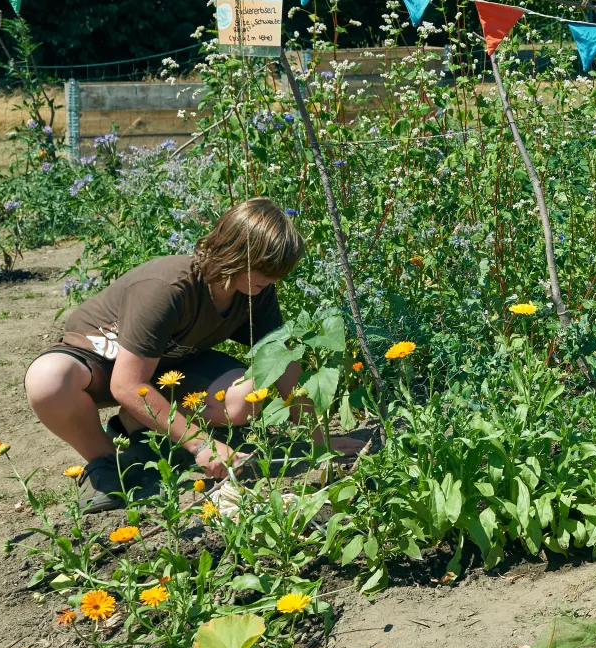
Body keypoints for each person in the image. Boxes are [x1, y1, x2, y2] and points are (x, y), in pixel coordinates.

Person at [25, 197, 364, 512]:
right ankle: (106, 463)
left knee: (247, 395)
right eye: (267, 267)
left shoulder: (256, 291)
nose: (277, 277)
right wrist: (201, 444)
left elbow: (282, 362)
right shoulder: (168, 288)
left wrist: (320, 439)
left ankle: (139, 428)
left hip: (170, 366)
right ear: (233, 252)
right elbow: (126, 385)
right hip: (100, 361)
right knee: (48, 381)